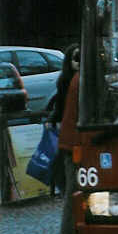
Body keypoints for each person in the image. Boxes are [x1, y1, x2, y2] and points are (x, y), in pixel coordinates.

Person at [56, 46, 81, 234]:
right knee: (73, 190)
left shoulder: (73, 80)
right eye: (76, 58)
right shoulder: (74, 81)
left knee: (74, 190)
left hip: (71, 141)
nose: (79, 61)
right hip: (73, 142)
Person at [47, 44, 79, 195]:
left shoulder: (82, 78)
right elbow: (60, 105)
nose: (78, 62)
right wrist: (55, 120)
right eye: (75, 58)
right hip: (69, 131)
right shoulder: (66, 80)